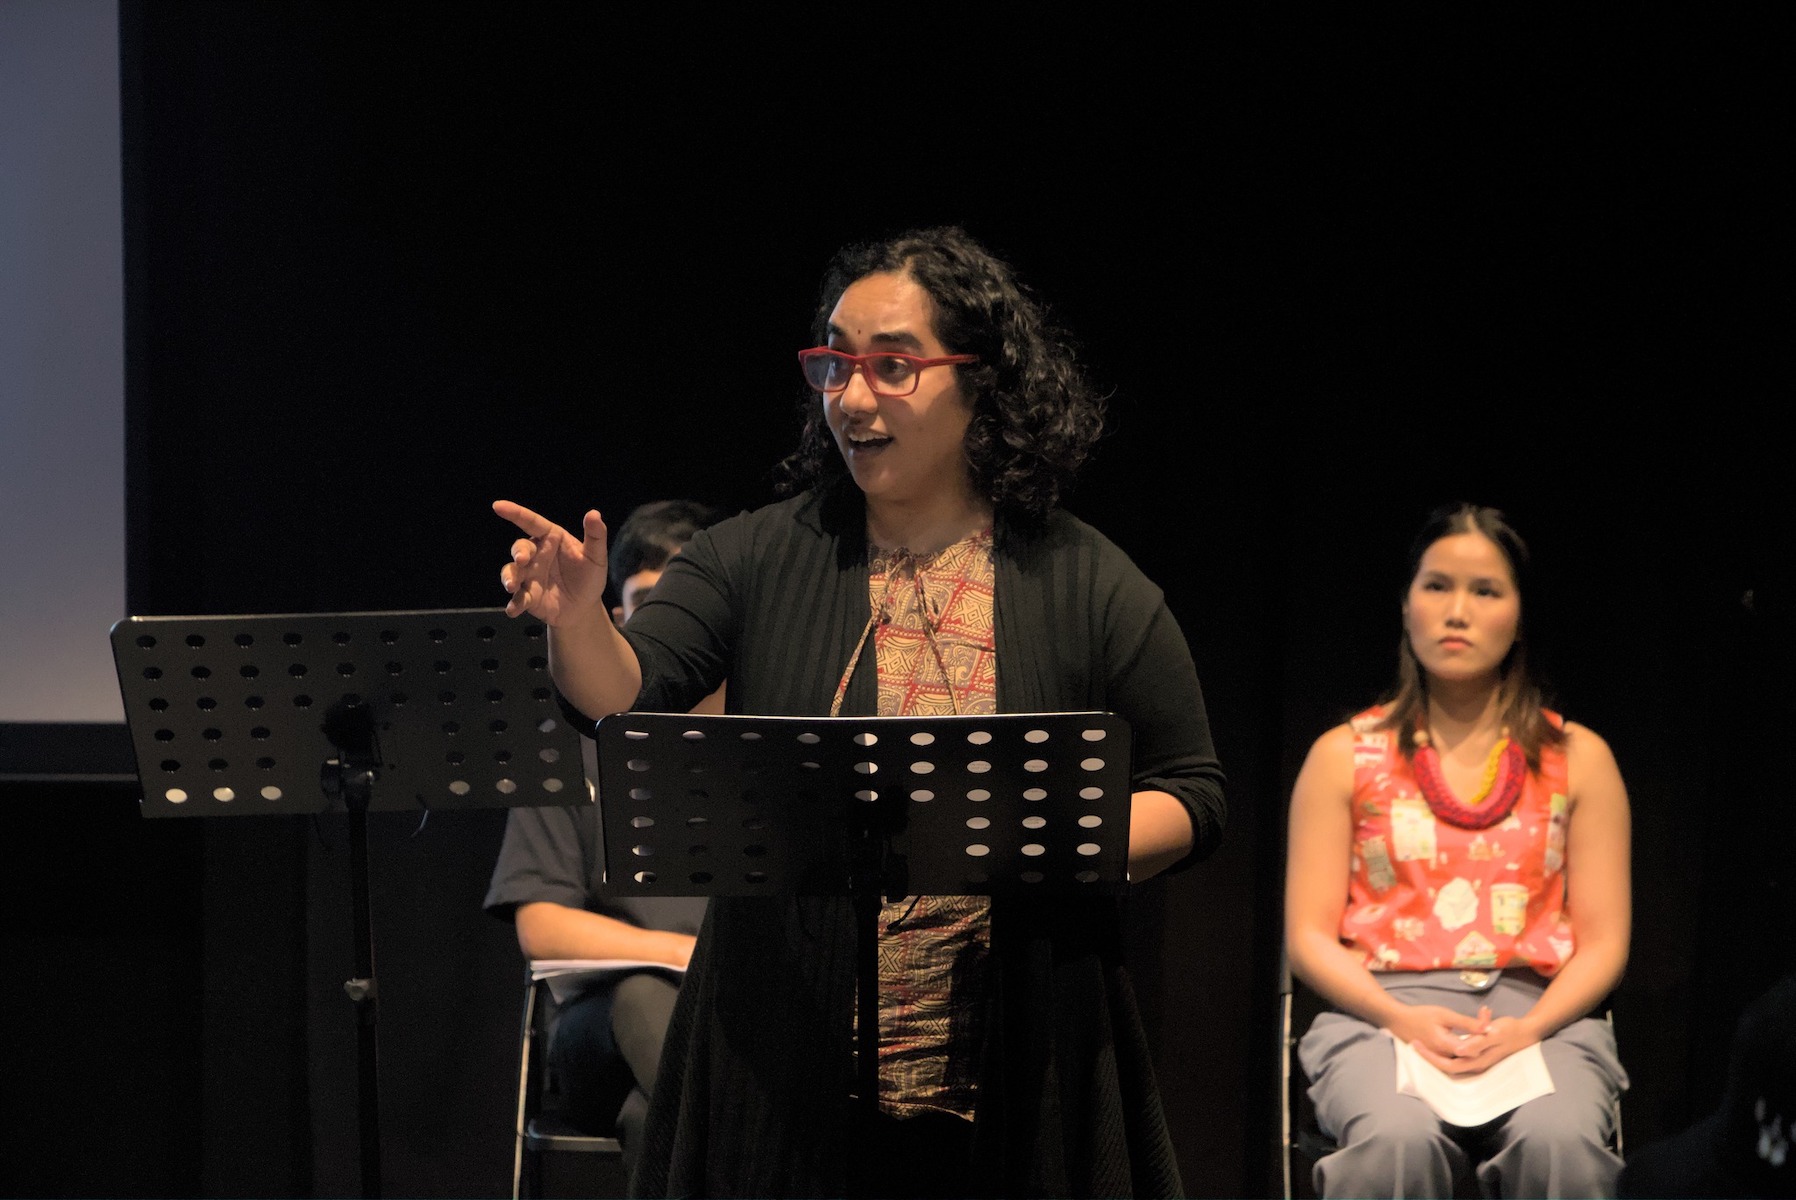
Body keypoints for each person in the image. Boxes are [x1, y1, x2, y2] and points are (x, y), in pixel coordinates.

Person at [493, 226, 1226, 1198]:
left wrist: (1052, 837)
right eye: (834, 362)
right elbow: (628, 695)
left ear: (979, 380)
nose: (851, 395)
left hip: (1018, 1055)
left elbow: (1193, 793)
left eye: (891, 366)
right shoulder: (752, 559)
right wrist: (580, 619)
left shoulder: (1081, 577)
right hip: (780, 1050)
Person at [1284, 503, 1632, 1198]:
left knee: (1560, 1143)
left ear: (1519, 613)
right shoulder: (1344, 756)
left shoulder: (1580, 759)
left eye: (1485, 591)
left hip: (1542, 1019)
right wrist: (1400, 1019)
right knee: (1393, 1144)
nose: (1457, 612)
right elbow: (1308, 938)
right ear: (1406, 602)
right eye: (1437, 586)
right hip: (1381, 1016)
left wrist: (1528, 1026)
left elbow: (1604, 943)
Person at [483, 499, 727, 1174]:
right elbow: (541, 926)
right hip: (604, 1030)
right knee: (646, 996)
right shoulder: (573, 747)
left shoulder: (761, 740)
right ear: (617, 618)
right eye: (650, 601)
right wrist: (676, 952)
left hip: (727, 1020)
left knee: (650, 1119)